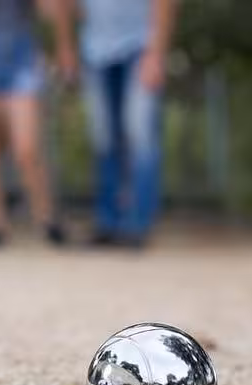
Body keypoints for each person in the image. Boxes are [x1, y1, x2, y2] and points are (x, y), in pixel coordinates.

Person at [0, 0, 72, 247]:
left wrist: (63, 48)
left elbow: (51, 10)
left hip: (21, 58)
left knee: (26, 149)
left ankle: (47, 218)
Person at [69, 0, 176, 247]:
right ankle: (108, 222)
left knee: (141, 136)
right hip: (94, 49)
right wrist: (68, 45)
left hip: (140, 46)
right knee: (103, 138)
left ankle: (137, 224)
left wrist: (156, 53)